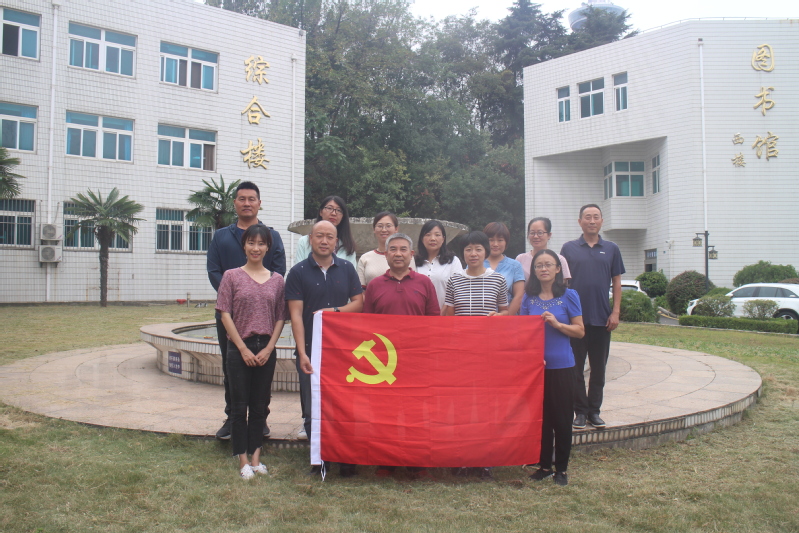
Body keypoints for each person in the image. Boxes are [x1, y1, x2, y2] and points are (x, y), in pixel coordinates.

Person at [207, 181, 285, 440]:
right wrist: (233, 298)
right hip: (229, 315)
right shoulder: (221, 236)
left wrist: (258, 295)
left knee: (263, 372)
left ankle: (260, 420)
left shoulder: (271, 236)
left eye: (252, 199)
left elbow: (279, 272)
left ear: (259, 203)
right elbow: (213, 270)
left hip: (264, 314)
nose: (247, 203)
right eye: (242, 199)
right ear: (235, 203)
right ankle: (233, 417)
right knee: (231, 367)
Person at [285, 220, 364, 477]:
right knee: (312, 408)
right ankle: (319, 460)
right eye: (319, 236)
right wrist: (302, 353)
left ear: (336, 242)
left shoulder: (347, 269)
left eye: (330, 237)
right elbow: (296, 316)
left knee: (344, 406)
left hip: (342, 351)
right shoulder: (297, 272)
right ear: (310, 239)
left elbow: (358, 302)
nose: (324, 241)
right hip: (310, 351)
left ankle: (346, 459)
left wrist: (335, 311)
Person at [363, 232, 440, 479]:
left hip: (416, 359)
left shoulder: (424, 283)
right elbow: (367, 326)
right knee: (385, 411)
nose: (398, 254)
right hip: (384, 362)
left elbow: (434, 322)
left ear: (411, 254)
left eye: (403, 249)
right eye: (393, 249)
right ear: (386, 255)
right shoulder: (375, 286)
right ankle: (386, 460)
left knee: (416, 411)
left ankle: (416, 460)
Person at [215, 224, 287, 479]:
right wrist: (242, 348)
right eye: (251, 243)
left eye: (261, 244)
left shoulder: (277, 280)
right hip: (239, 349)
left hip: (265, 348)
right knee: (238, 406)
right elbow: (225, 314)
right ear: (244, 246)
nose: (256, 248)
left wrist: (269, 348)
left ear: (268, 247)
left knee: (259, 406)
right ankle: (242, 460)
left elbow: (280, 317)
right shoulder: (231, 276)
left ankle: (256, 458)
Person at [442, 231, 508, 481]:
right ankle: (461, 458)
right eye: (468, 249)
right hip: (461, 354)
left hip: (487, 354)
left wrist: (499, 317)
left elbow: (505, 312)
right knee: (461, 407)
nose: (473, 254)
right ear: (463, 253)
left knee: (486, 407)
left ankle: (485, 460)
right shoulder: (455, 280)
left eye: (478, 249)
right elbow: (448, 316)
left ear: (486, 252)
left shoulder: (498, 279)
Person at [519, 250, 584, 487]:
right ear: (534, 271)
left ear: (558, 269)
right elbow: (522, 333)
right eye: (539, 265)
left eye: (548, 264)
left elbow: (580, 331)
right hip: (537, 369)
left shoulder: (569, 295)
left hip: (563, 366)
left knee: (562, 419)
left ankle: (561, 469)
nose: (543, 269)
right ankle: (544, 466)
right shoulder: (529, 298)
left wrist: (557, 324)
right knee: (541, 419)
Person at [560, 204, 625, 430]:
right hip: (575, 321)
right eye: (587, 217)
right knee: (575, 369)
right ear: (580, 222)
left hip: (601, 319)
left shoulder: (612, 248)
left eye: (596, 217)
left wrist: (615, 311)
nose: (591, 221)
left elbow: (617, 281)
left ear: (601, 221)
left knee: (599, 369)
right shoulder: (568, 249)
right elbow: (562, 282)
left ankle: (594, 411)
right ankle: (580, 412)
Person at [414, 219, 464, 310]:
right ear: (422, 239)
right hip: (418, 314)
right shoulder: (413, 262)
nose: (432, 238)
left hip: (444, 314)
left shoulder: (453, 261)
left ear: (443, 239)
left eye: (437, 235)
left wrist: (443, 313)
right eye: (428, 235)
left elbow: (458, 291)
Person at [294, 195, 356, 266]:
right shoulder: (304, 241)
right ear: (321, 212)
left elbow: (351, 271)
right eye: (329, 208)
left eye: (339, 210)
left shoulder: (348, 245)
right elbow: (299, 269)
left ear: (343, 216)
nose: (333, 213)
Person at [357, 211, 414, 288]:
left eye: (388, 226)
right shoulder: (365, 258)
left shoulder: (406, 257)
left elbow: (414, 283)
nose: (384, 230)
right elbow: (360, 290)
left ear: (396, 229)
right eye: (380, 226)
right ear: (374, 229)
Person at [483, 222, 525, 316]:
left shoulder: (515, 266)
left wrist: (505, 318)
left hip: (507, 319)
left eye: (500, 240)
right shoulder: (475, 263)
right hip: (480, 318)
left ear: (506, 242)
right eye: (491, 240)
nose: (495, 244)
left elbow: (518, 296)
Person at [516, 217, 571, 283]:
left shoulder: (559, 259)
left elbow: (563, 285)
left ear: (549, 235)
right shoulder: (520, 259)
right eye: (532, 233)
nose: (535, 236)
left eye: (540, 233)